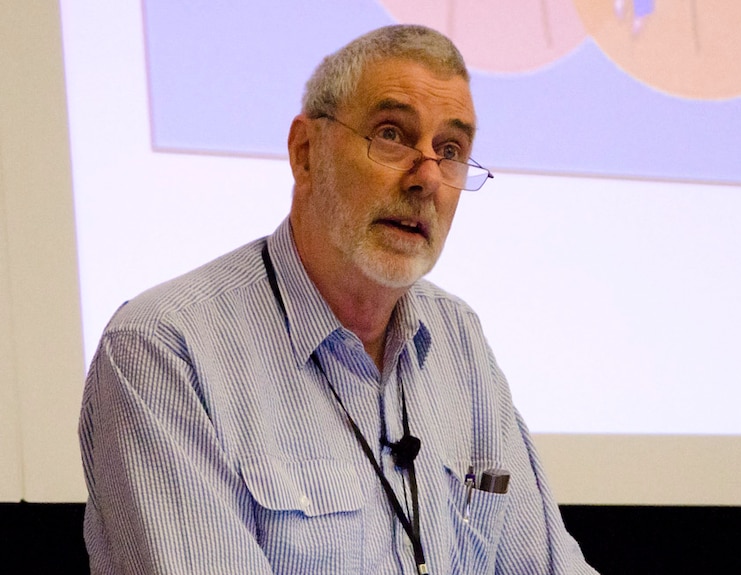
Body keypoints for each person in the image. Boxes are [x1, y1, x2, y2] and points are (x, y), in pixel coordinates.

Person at [79, 24, 599, 575]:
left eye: (450, 150)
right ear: (305, 153)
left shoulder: (458, 342)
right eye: (392, 135)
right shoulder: (166, 350)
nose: (426, 178)